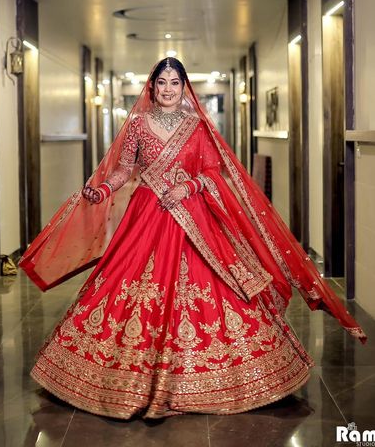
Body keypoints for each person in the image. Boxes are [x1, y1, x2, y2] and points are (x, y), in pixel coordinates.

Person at [20, 57, 366, 419]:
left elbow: (213, 173)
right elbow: (125, 169)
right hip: (147, 214)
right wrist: (103, 189)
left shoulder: (197, 126)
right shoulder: (137, 124)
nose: (168, 89)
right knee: (124, 279)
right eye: (162, 82)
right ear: (152, 87)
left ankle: (220, 377)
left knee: (217, 285)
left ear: (184, 87)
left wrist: (188, 185)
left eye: (174, 82)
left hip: (193, 217)